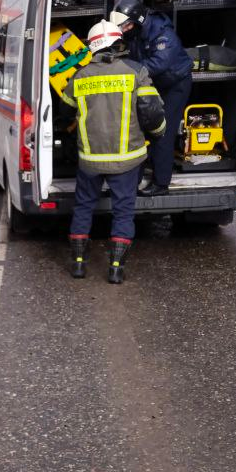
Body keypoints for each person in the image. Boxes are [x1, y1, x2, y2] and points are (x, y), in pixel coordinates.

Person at [60, 20, 166, 284]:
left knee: (83, 207)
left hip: (90, 160)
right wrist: (158, 134)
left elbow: (64, 114)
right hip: (127, 160)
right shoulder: (136, 72)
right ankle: (116, 269)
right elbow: (152, 114)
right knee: (123, 211)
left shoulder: (80, 76)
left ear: (93, 47)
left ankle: (78, 265)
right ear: (119, 43)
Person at [109, 0, 193, 197]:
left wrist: (123, 70)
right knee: (138, 129)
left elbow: (156, 64)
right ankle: (133, 181)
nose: (124, 30)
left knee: (162, 132)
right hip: (154, 83)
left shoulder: (164, 35)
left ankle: (161, 184)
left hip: (175, 85)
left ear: (137, 20)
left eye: (126, 26)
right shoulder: (137, 32)